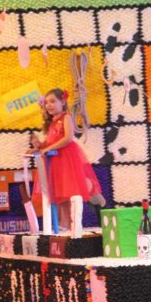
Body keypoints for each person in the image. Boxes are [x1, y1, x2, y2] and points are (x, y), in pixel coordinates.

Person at [30, 89, 105, 229]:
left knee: (70, 192)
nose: (49, 105)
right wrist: (39, 146)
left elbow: (68, 138)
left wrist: (46, 149)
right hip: (55, 161)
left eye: (52, 101)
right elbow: (50, 142)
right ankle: (64, 224)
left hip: (66, 159)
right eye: (46, 102)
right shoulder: (51, 122)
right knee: (60, 194)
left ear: (63, 102)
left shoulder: (66, 118)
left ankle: (75, 223)